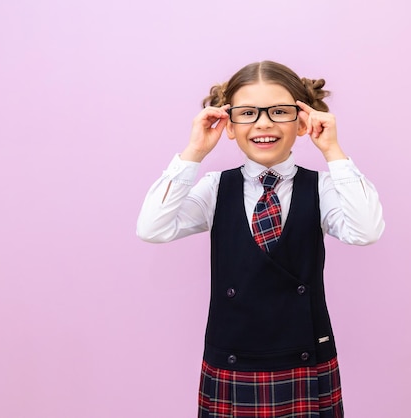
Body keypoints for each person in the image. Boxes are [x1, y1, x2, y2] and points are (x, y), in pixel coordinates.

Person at [136, 60, 385, 418]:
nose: (264, 123)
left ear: (302, 122)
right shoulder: (214, 188)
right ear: (230, 125)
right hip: (232, 358)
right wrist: (194, 152)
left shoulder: (322, 187)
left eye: (279, 111)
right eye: (248, 113)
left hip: (304, 356)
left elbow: (366, 230)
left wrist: (333, 151)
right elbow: (151, 228)